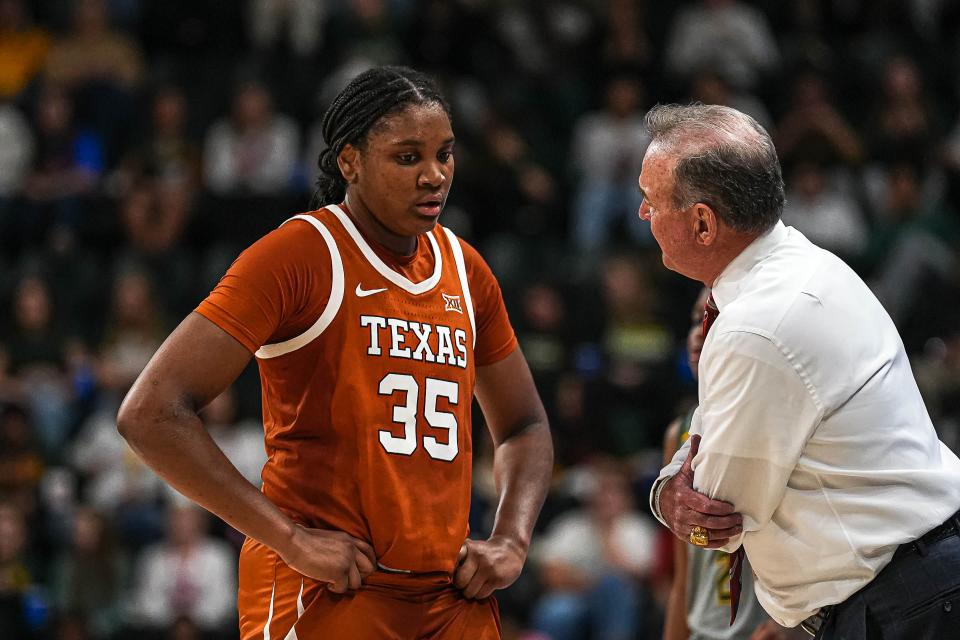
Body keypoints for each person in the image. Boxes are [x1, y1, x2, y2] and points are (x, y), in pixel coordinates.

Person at [117, 66, 553, 640]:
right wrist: (289, 538)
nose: (433, 176)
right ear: (349, 162)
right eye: (407, 157)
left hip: (449, 596)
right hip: (328, 590)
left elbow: (524, 424)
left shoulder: (466, 269)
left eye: (444, 155)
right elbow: (150, 412)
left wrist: (512, 539)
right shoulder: (301, 253)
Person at [641, 103, 960, 638]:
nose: (642, 216)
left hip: (908, 603)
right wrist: (673, 484)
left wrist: (671, 494)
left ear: (701, 222)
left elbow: (717, 516)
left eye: (651, 202)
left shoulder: (753, 327)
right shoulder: (808, 263)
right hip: (913, 586)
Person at [661, 289, 802, 640]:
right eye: (696, 319)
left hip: (770, 628)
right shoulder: (678, 433)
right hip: (703, 630)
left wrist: (793, 626)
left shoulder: (777, 421)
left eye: (713, 318)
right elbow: (684, 578)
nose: (699, 330)